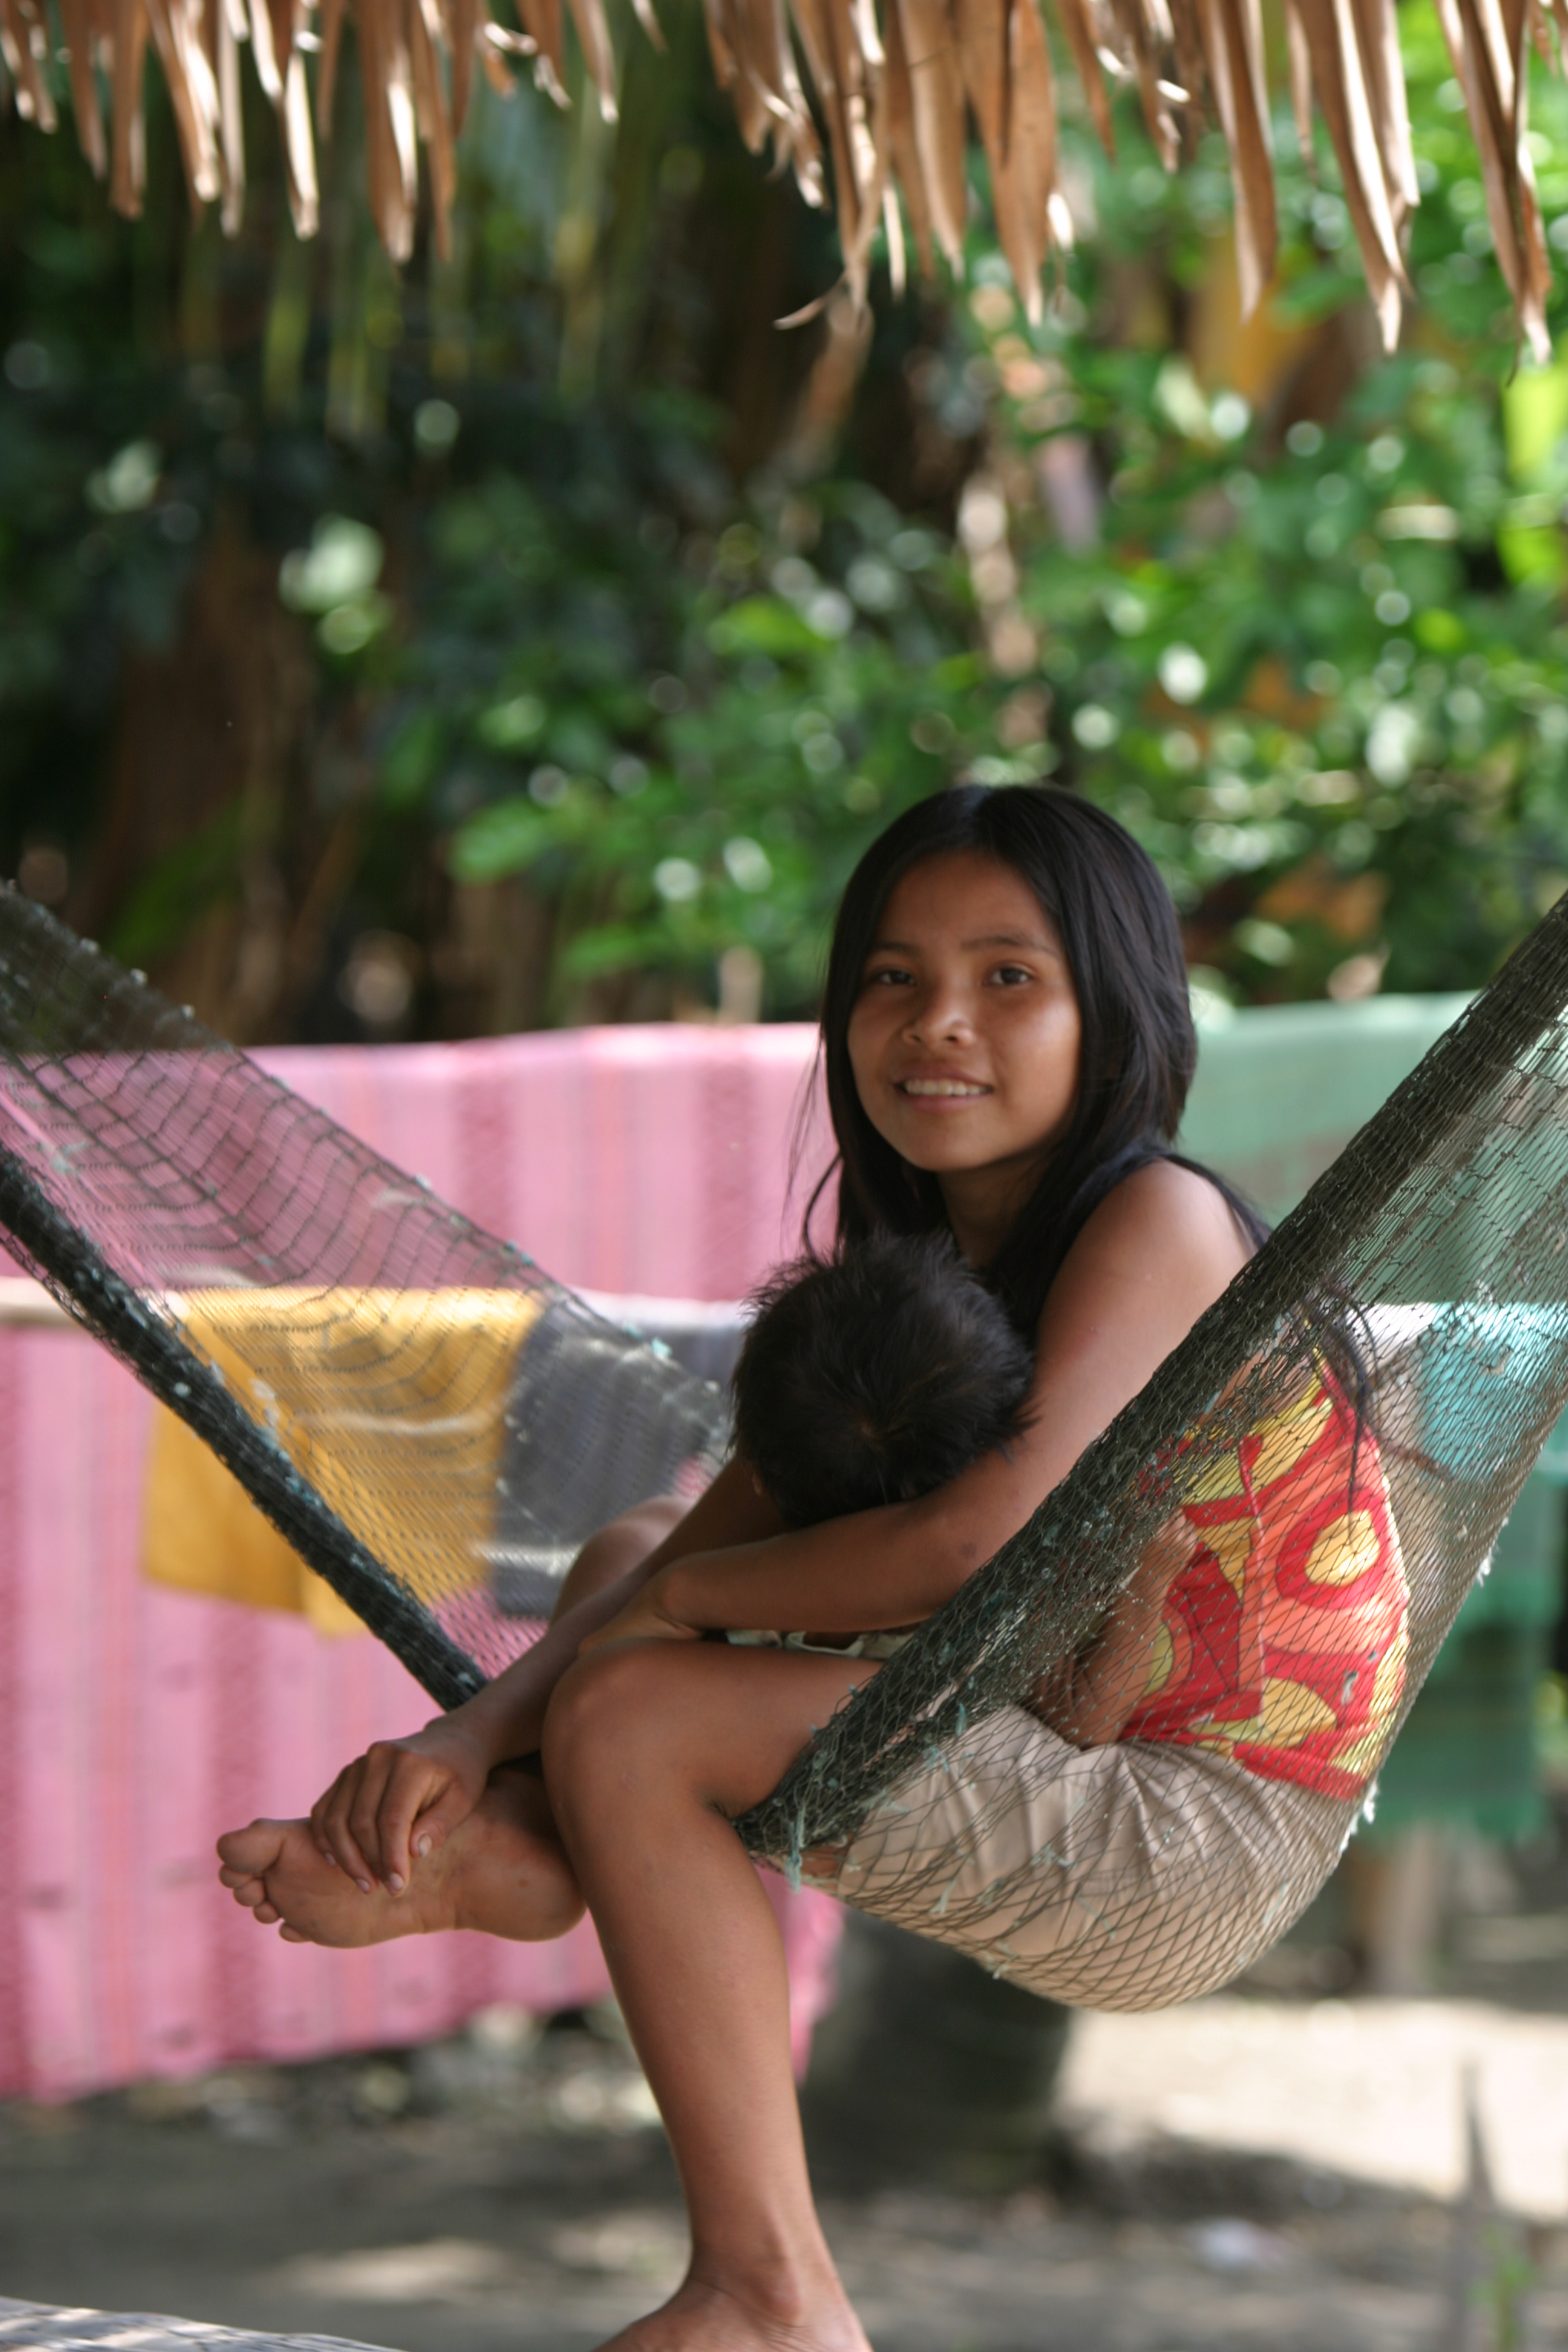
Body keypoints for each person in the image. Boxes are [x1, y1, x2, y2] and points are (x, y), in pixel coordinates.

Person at [218, 784, 1406, 2352]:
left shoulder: (1156, 1221)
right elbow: (712, 1537)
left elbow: (970, 1546)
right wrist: (463, 1738)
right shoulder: (923, 1265)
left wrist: (669, 1624)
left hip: (1191, 1825)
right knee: (631, 1548)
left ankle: (767, 2294)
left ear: (1113, 1012)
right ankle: (527, 1842)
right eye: (891, 979)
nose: (938, 1025)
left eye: (1007, 979)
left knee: (644, 1703)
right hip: (1056, 1735)